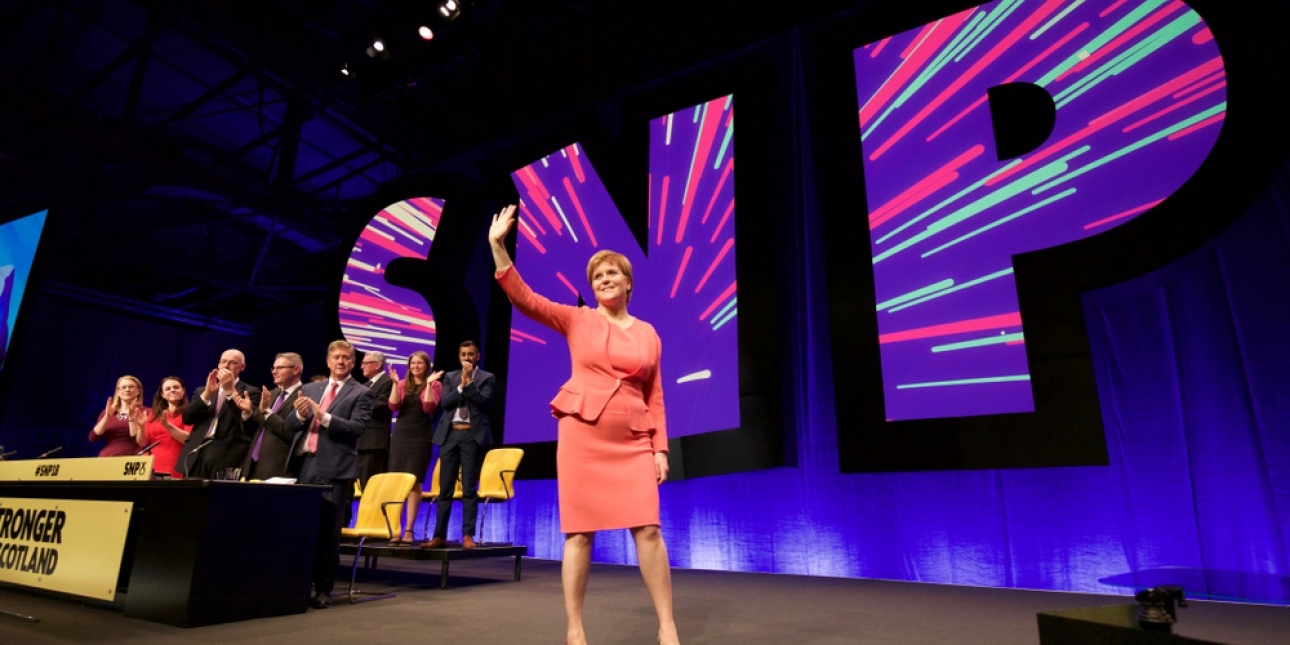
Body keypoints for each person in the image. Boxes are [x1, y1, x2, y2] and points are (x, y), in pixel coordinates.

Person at [488, 204, 680, 645]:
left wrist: (660, 448)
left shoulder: (649, 333)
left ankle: (667, 626)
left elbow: (656, 396)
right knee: (579, 534)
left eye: (612, 273)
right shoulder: (578, 319)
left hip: (633, 440)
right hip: (582, 436)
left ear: (628, 282)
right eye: (597, 277)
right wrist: (498, 246)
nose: (604, 280)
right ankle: (575, 630)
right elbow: (525, 298)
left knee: (649, 529)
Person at [284, 340, 373, 609]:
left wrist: (325, 418)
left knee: (327, 534)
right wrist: (299, 417)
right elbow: (289, 425)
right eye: (336, 357)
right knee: (301, 530)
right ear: (328, 361)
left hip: (334, 469)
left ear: (353, 363)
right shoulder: (310, 388)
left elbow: (357, 428)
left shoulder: (361, 392)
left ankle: (323, 590)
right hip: (304, 465)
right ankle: (298, 586)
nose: (341, 361)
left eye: (347, 358)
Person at [421, 340, 493, 551]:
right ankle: (439, 535)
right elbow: (445, 402)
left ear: (477, 356)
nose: (467, 358)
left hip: (472, 436)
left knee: (469, 488)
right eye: (463, 354)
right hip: (450, 435)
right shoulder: (451, 377)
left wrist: (470, 383)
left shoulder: (487, 378)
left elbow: (483, 401)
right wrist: (462, 385)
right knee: (445, 489)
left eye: (471, 354)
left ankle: (467, 535)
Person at [386, 350, 443, 544]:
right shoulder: (402, 384)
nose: (416, 366)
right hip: (401, 435)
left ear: (426, 366)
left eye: (419, 363)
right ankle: (395, 529)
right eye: (413, 363)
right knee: (397, 483)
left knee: (414, 482)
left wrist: (427, 385)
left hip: (420, 436)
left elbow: (429, 406)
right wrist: (394, 383)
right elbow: (393, 406)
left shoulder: (435, 384)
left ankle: (409, 530)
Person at [176, 349, 259, 479]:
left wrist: (231, 391)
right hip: (197, 452)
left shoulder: (251, 392)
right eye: (223, 362)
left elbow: (249, 426)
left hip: (227, 454)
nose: (226, 366)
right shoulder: (202, 390)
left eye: (232, 363)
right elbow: (187, 418)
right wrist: (207, 395)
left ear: (242, 367)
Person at [241, 352, 305, 480]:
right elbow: (255, 430)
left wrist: (267, 412)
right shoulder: (271, 394)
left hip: (278, 469)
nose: (274, 372)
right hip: (252, 467)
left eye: (280, 368)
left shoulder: (304, 396)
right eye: (273, 368)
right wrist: (248, 413)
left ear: (296, 369)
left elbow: (292, 433)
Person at [357, 351, 395, 491]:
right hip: (360, 442)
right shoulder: (365, 385)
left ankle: (375, 513)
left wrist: (357, 406)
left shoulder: (388, 382)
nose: (362, 367)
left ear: (377, 365)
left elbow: (381, 406)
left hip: (374, 443)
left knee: (372, 487)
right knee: (360, 485)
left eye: (365, 363)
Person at [143, 376, 193, 477]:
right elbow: (144, 442)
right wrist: (139, 426)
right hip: (149, 464)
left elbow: (188, 439)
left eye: (176, 387)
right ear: (162, 394)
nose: (172, 390)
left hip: (174, 464)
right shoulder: (154, 414)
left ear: (183, 391)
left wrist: (168, 426)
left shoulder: (190, 412)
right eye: (168, 389)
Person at [90, 375, 149, 457]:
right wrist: (107, 417)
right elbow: (93, 438)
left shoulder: (145, 412)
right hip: (106, 458)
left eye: (131, 387)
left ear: (138, 391)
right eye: (123, 387)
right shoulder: (108, 412)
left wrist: (131, 417)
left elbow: (137, 440)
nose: (127, 389)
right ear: (117, 391)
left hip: (130, 460)